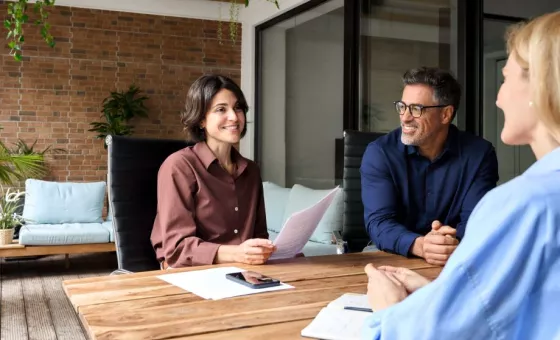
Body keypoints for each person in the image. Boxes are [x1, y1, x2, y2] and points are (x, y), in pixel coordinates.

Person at [363, 12, 560, 339]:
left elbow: (433, 334)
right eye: (403, 106)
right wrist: (430, 263)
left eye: (506, 78)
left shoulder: (523, 203)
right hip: (415, 264)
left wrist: (389, 309)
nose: (497, 98)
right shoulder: (380, 152)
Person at [360, 67, 499, 265]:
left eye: (416, 109)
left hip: (455, 253)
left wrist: (447, 243)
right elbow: (379, 223)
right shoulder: (380, 153)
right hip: (391, 253)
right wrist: (421, 245)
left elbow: (475, 220)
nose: (405, 117)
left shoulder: (479, 155)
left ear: (445, 114)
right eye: (402, 106)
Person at [151, 74, 275, 268]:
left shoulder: (251, 171)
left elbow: (259, 235)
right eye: (221, 109)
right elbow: (178, 250)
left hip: (244, 270)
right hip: (191, 272)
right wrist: (237, 254)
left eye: (238, 108)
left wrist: (263, 250)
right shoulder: (179, 166)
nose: (234, 117)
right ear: (201, 120)